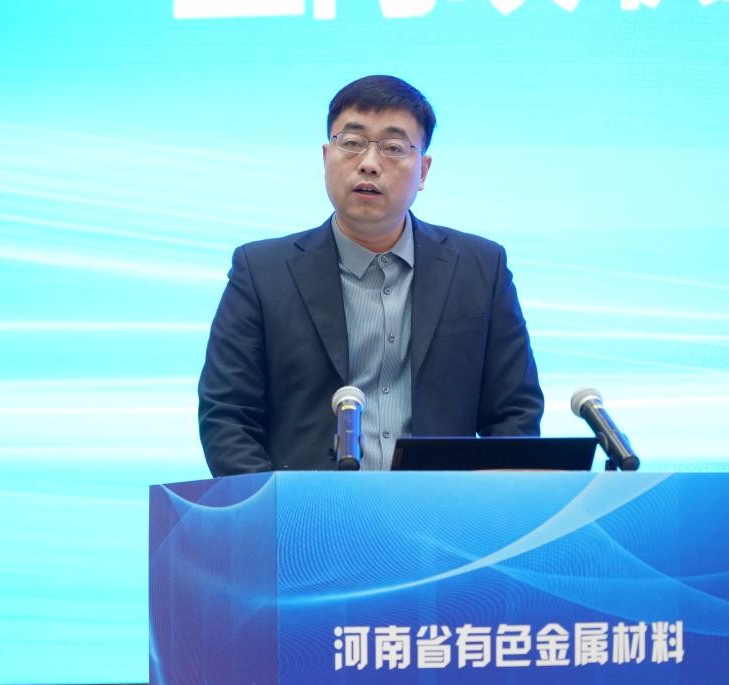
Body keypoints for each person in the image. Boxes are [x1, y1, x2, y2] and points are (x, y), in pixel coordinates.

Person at [198, 75, 543, 475]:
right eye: (352, 142)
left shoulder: (481, 267)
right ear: (326, 157)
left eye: (394, 148)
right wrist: (280, 506)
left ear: (424, 170)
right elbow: (227, 416)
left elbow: (514, 413)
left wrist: (480, 504)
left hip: (440, 509)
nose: (369, 163)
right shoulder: (261, 272)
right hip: (308, 509)